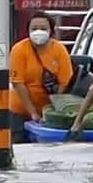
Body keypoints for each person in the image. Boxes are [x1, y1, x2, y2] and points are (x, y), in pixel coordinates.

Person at [9, 11, 74, 143]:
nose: (38, 32)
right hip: (19, 110)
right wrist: (33, 112)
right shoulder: (19, 50)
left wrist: (51, 111)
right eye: (34, 28)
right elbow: (17, 83)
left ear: (51, 31)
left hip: (49, 111)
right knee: (19, 144)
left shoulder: (60, 50)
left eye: (43, 28)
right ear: (28, 30)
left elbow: (65, 82)